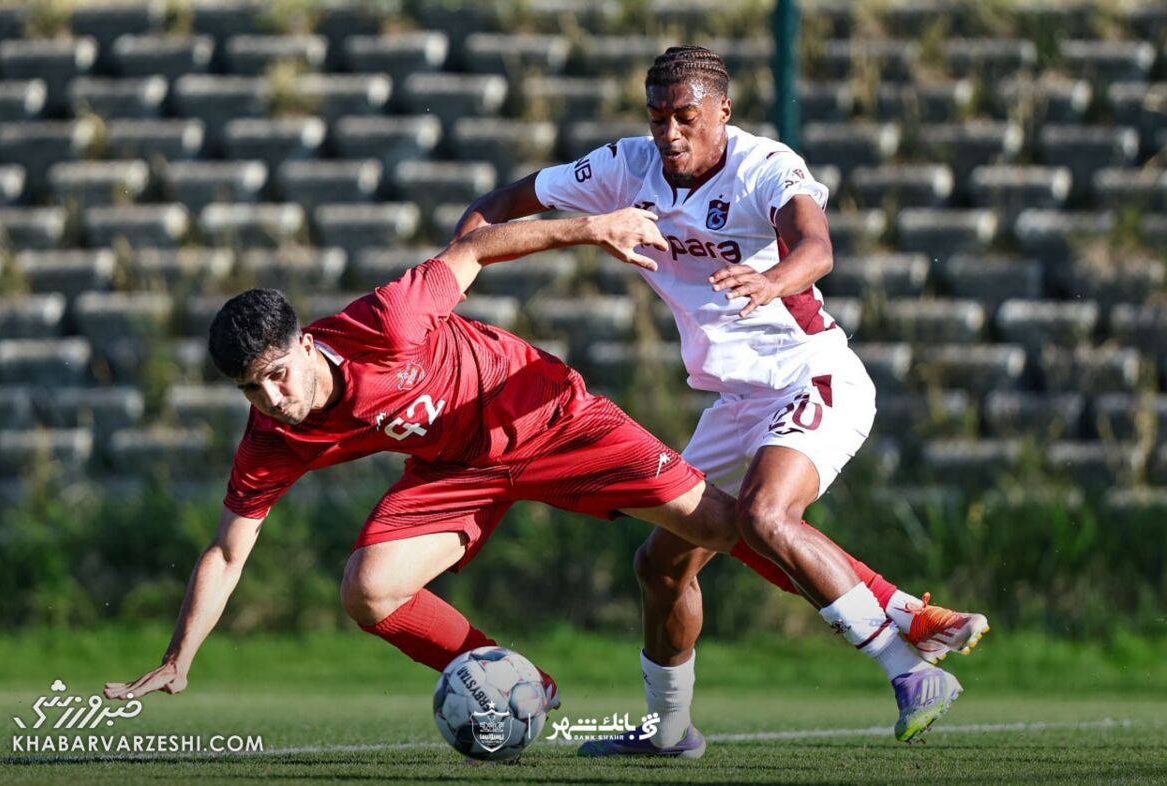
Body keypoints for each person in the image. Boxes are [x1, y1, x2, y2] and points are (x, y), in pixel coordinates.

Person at [103, 208, 939, 750]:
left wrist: (595, 227)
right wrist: (180, 658)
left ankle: (903, 613)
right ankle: (521, 684)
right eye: (251, 390)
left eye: (277, 376)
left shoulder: (389, 322)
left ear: (306, 344)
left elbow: (473, 248)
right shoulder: (271, 437)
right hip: (458, 470)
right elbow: (228, 552)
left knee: (723, 526)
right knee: (368, 590)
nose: (272, 400)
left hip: (550, 415)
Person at [456, 45, 989, 754]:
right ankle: (669, 731)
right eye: (658, 118)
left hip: (812, 378)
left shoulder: (764, 165)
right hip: (734, 402)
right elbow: (495, 208)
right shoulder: (625, 166)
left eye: (685, 116)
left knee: (764, 516)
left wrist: (773, 280)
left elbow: (817, 248)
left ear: (722, 112)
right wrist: (456, 271)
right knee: (660, 566)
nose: (669, 133)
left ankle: (910, 670)